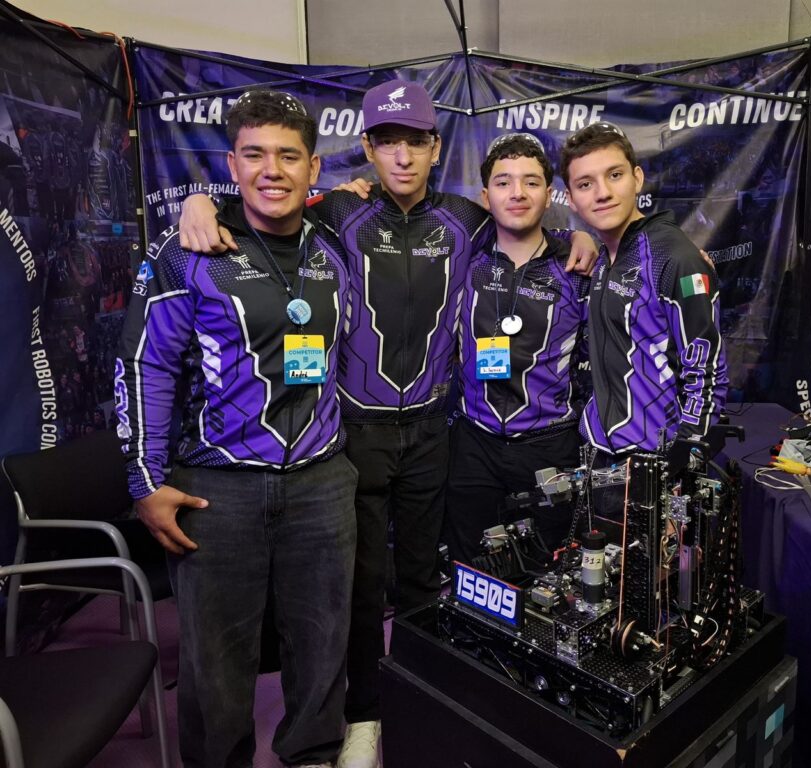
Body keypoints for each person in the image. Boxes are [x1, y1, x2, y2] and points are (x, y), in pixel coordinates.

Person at [177, 79, 597, 768]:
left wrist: (582, 235)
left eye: (415, 142)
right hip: (355, 433)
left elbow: (530, 228)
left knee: (426, 578)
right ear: (367, 148)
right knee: (360, 586)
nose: (402, 156)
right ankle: (365, 714)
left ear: (436, 148)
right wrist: (200, 202)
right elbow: (262, 199)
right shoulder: (337, 211)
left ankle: (429, 699)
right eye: (388, 142)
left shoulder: (467, 218)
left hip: (435, 431)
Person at [116, 90, 356, 768]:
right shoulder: (188, 249)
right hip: (216, 489)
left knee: (322, 642)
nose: (271, 170)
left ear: (314, 169)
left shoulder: (334, 246)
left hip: (321, 481)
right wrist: (145, 482)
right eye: (254, 155)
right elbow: (144, 364)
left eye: (289, 156)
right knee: (215, 660)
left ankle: (313, 754)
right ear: (232, 164)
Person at [445, 133, 590, 566]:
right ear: (485, 197)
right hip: (474, 443)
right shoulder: (463, 257)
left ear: (549, 194)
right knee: (472, 568)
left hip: (549, 446)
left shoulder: (578, 266)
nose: (518, 193)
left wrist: (683, 257)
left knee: (549, 571)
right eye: (504, 182)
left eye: (531, 182)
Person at [559, 121, 728, 454]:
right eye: (585, 184)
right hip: (600, 452)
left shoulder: (676, 258)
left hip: (652, 459)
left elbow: (707, 376)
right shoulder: (604, 257)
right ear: (571, 199)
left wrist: (679, 460)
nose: (602, 193)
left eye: (615, 175)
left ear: (637, 178)